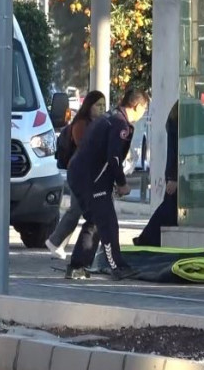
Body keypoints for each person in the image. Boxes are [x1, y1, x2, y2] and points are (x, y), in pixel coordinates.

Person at [64, 88, 150, 280]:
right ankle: (117, 266)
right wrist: (122, 183)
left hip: (81, 176)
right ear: (137, 106)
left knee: (95, 221)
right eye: (144, 108)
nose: (144, 113)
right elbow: (114, 157)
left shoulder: (111, 117)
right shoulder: (120, 123)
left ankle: (77, 266)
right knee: (108, 223)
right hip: (91, 180)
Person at [46, 90, 107, 260]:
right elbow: (86, 148)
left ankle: (57, 242)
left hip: (89, 174)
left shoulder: (100, 123)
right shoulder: (81, 123)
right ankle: (55, 241)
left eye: (103, 105)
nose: (102, 109)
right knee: (76, 210)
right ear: (89, 106)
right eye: (98, 105)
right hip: (79, 173)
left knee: (77, 209)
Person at [133, 101, 179, 247]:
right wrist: (173, 176)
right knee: (170, 208)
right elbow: (174, 150)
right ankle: (146, 239)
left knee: (170, 207)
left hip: (177, 172)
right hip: (177, 173)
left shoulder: (175, 116)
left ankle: (147, 238)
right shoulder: (178, 120)